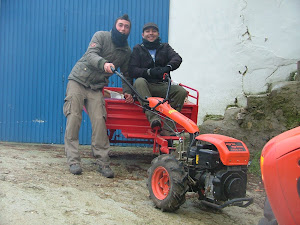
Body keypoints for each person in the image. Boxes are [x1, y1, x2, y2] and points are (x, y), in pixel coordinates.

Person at [63, 14, 134, 177]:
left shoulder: (126, 52)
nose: (123, 29)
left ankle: (102, 162)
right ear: (115, 26)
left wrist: (128, 92)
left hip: (95, 87)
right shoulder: (101, 36)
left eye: (126, 27)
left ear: (129, 30)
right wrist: (104, 64)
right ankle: (73, 160)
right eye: (120, 25)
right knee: (74, 118)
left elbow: (127, 74)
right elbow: (90, 55)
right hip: (78, 81)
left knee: (100, 122)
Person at [128, 22, 187, 136]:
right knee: (139, 81)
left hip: (162, 85)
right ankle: (154, 119)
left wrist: (167, 67)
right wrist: (148, 72)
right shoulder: (138, 49)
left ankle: (168, 129)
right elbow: (132, 70)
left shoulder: (165, 47)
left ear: (158, 34)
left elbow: (177, 58)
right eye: (148, 31)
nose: (151, 34)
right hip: (145, 86)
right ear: (143, 34)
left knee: (181, 92)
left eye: (153, 31)